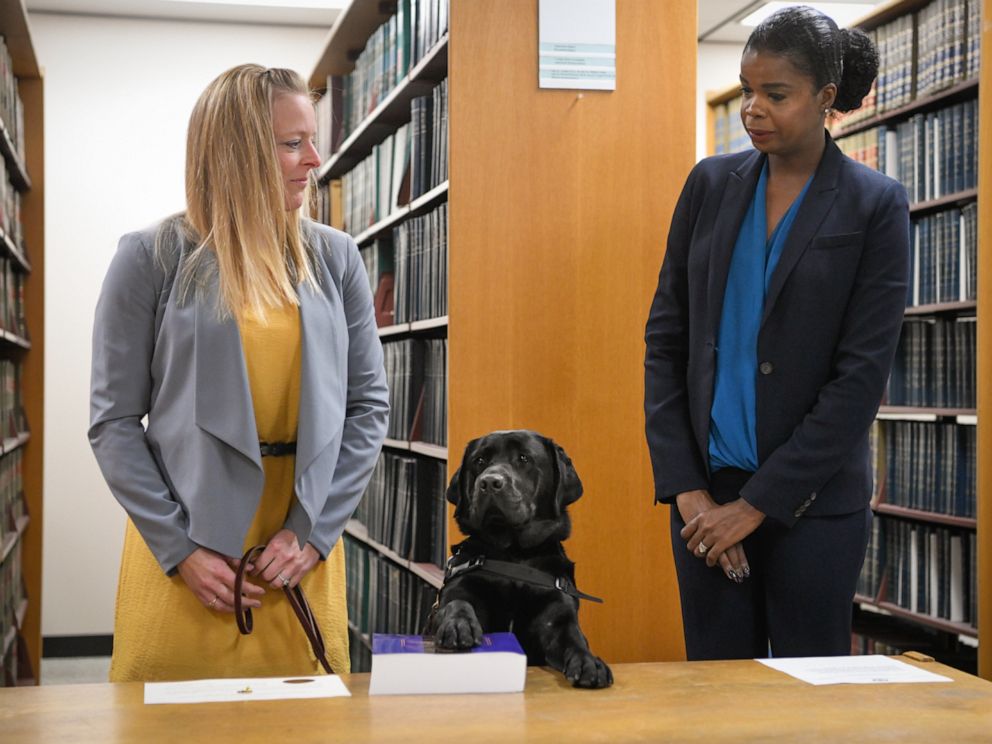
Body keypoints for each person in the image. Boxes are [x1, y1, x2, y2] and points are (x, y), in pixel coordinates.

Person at [89, 64, 389, 681]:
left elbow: (367, 409)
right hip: (188, 549)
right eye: (291, 143)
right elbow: (114, 422)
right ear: (235, 152)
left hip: (299, 550)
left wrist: (312, 534)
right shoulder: (150, 258)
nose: (314, 159)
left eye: (311, 139)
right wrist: (180, 552)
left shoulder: (335, 257)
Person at [644, 6, 909, 660]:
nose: (752, 108)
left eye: (776, 94)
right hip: (704, 506)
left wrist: (757, 504)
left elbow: (860, 379)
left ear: (824, 98)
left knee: (805, 711)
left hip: (813, 509)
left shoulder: (874, 204)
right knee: (715, 699)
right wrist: (690, 493)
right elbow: (665, 343)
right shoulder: (707, 185)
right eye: (746, 89)